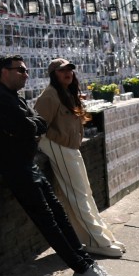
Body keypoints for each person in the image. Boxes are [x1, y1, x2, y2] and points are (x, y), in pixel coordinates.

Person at [0, 55, 124, 276]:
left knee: (59, 214)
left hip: (27, 164)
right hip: (15, 167)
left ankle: (85, 263)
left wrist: (32, 125)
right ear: (4, 72)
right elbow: (29, 126)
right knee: (48, 220)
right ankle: (82, 269)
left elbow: (38, 123)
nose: (26, 75)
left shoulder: (11, 97)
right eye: (20, 71)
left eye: (26, 71)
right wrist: (31, 126)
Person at [35, 59, 125, 258]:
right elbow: (38, 128)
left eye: (70, 70)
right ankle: (95, 242)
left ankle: (101, 237)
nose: (68, 73)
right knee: (77, 197)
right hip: (59, 147)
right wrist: (50, 146)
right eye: (62, 70)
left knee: (85, 194)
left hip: (71, 149)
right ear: (53, 74)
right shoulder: (49, 95)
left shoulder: (67, 92)